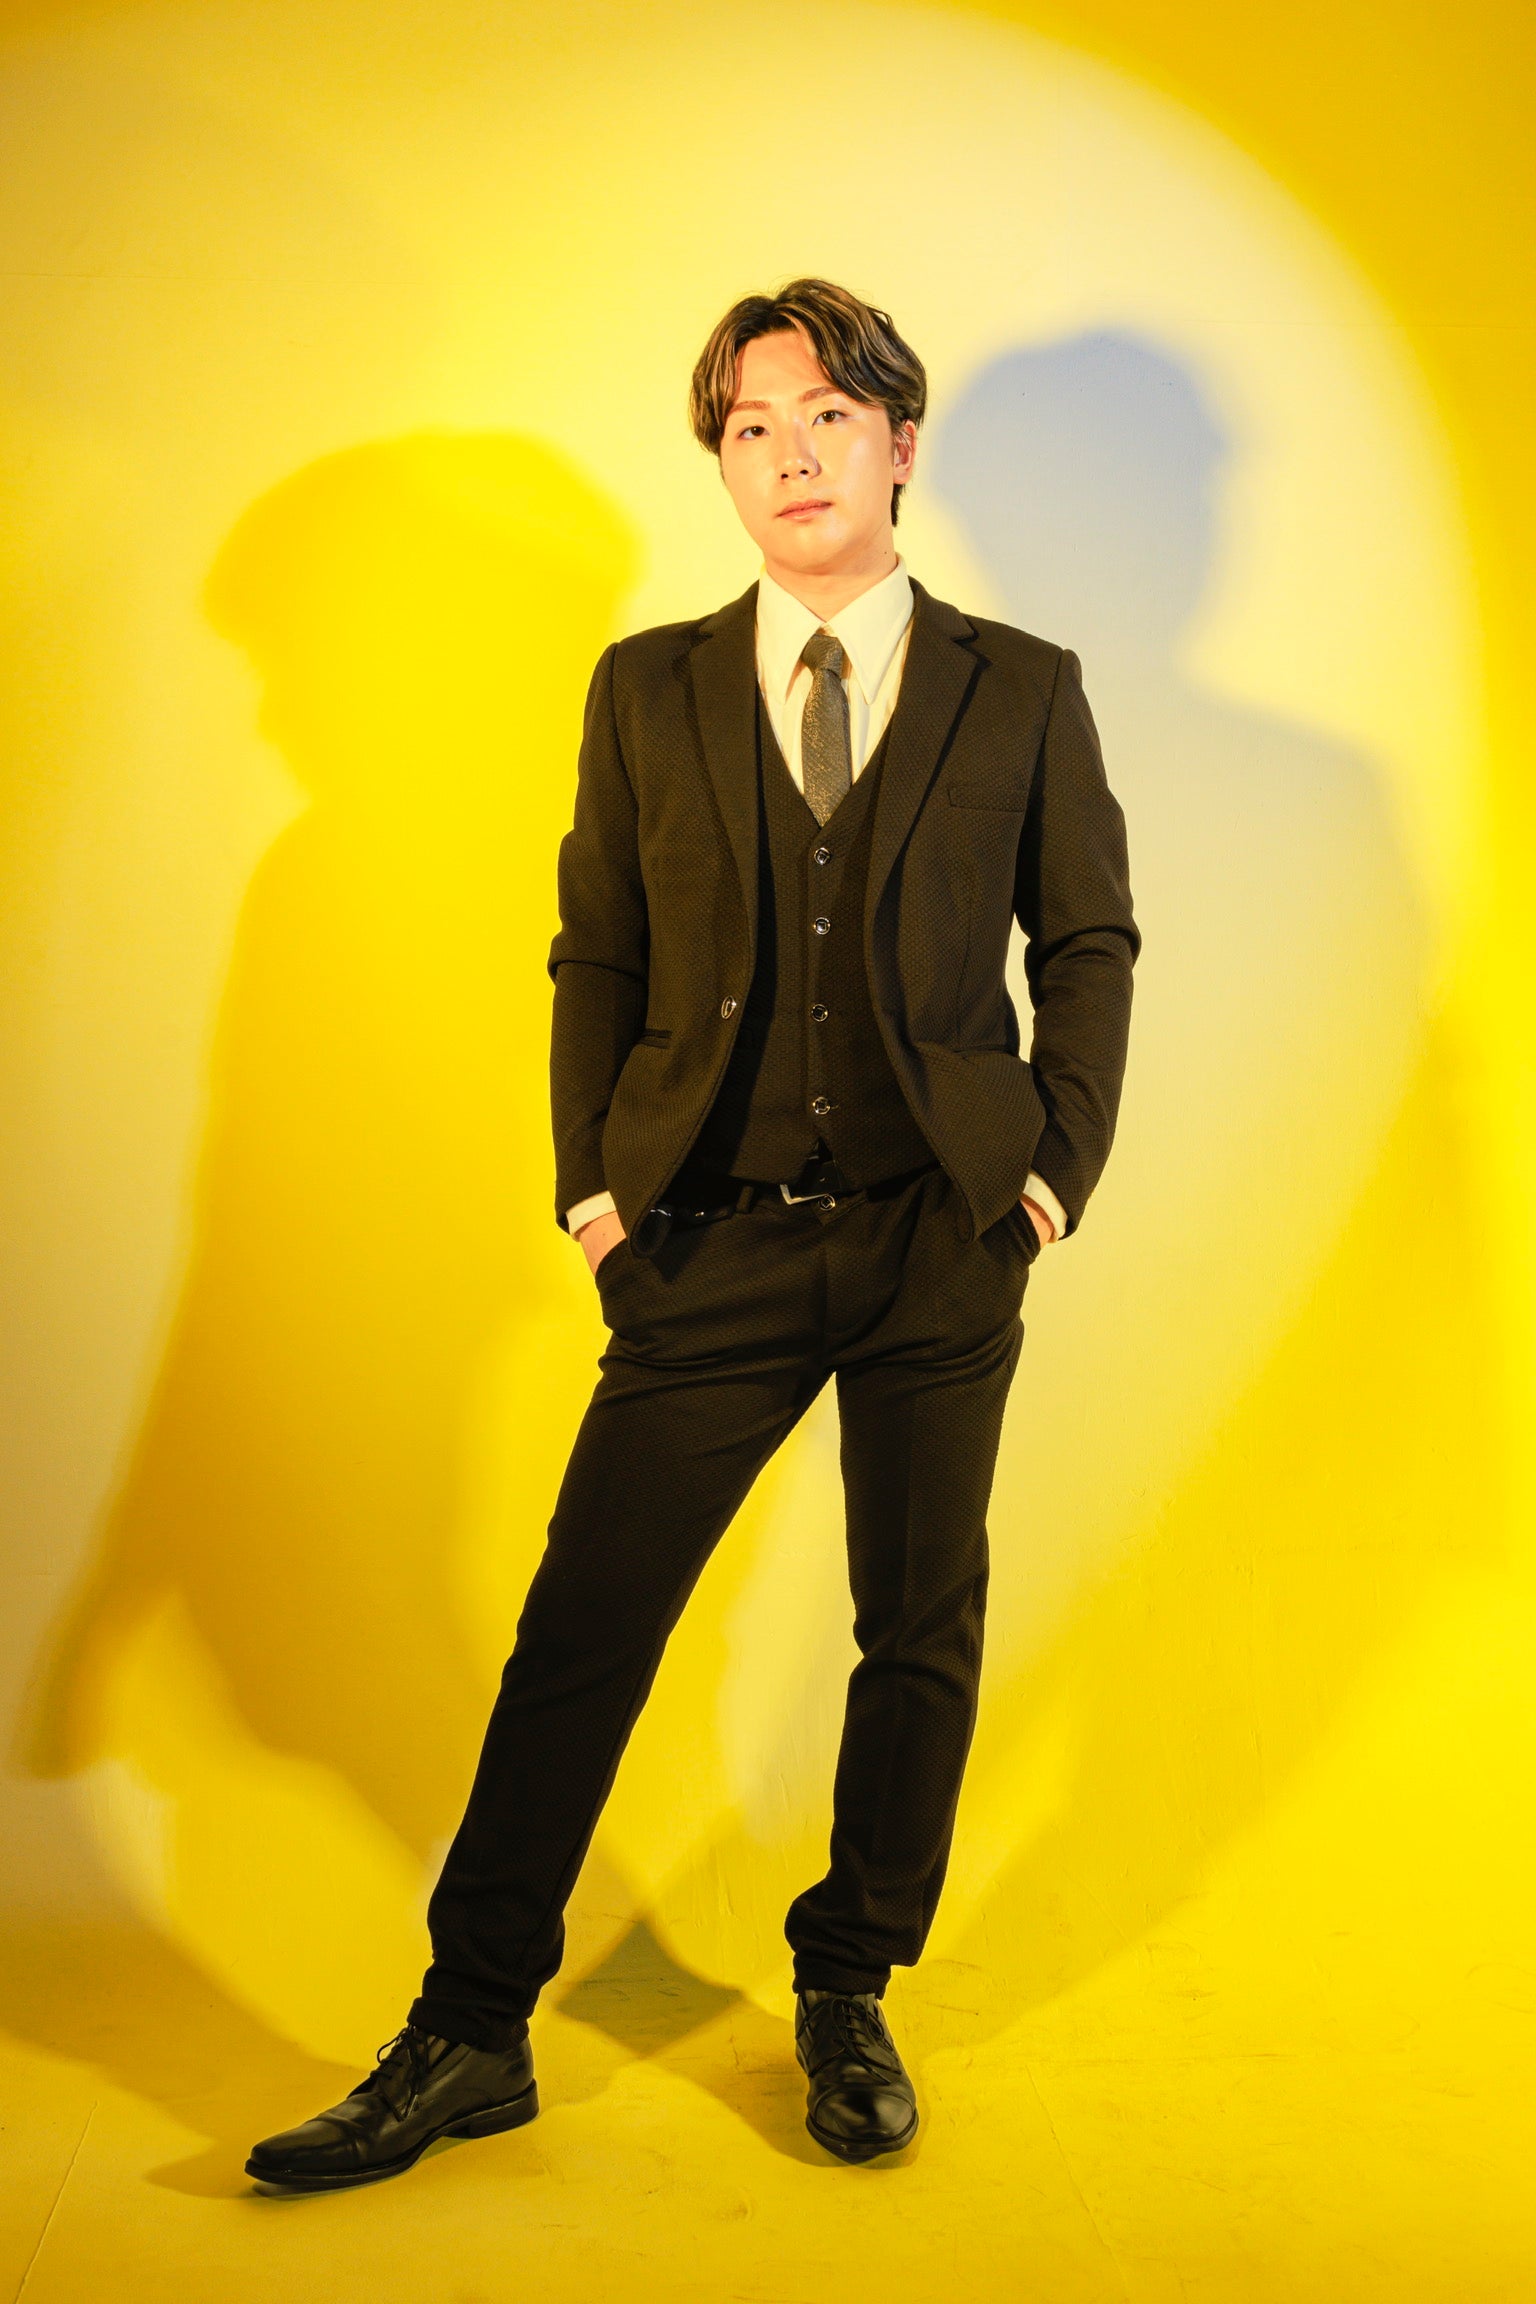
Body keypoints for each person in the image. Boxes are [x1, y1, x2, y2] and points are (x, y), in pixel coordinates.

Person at [247, 276, 1139, 2189]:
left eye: (827, 418)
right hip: (704, 1241)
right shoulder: (645, 687)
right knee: (583, 1633)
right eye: (750, 428)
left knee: (918, 1626)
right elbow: (598, 947)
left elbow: (1086, 938)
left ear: (899, 446)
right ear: (722, 469)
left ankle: (849, 1984)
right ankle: (469, 2027)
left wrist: (1050, 1168)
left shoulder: (1023, 685)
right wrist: (595, 1185)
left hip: (939, 1236)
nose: (790, 454)